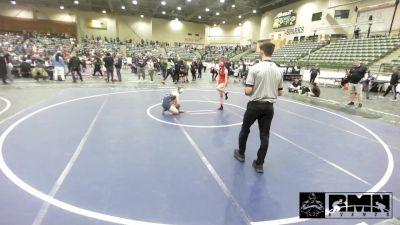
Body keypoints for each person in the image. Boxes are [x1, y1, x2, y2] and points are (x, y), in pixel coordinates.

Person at [233, 42, 283, 173]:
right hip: (269, 107)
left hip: (255, 105)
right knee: (265, 135)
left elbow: (248, 91)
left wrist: (252, 86)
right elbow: (280, 92)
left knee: (245, 129)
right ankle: (259, 164)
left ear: (261, 52)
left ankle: (241, 153)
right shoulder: (279, 70)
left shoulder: (255, 68)